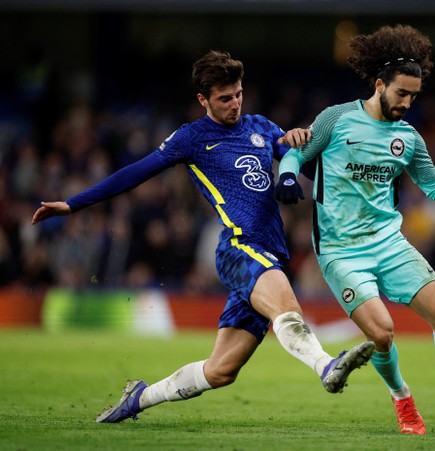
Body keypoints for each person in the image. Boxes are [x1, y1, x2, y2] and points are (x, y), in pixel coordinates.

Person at [32, 50, 375, 423]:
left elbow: (301, 162)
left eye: (239, 94)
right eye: (225, 98)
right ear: (203, 100)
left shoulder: (260, 126)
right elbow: (135, 172)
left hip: (269, 253)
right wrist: (72, 204)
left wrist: (298, 142)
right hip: (239, 247)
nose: (235, 104)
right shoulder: (191, 138)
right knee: (287, 307)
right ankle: (327, 368)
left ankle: (139, 398)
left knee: (220, 371)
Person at [274, 25, 435, 436]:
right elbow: (297, 152)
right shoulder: (337, 118)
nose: (407, 103)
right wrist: (287, 178)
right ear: (380, 84)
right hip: (339, 250)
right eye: (401, 93)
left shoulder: (408, 138)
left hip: (388, 242)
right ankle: (403, 400)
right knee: (382, 334)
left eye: (414, 97)